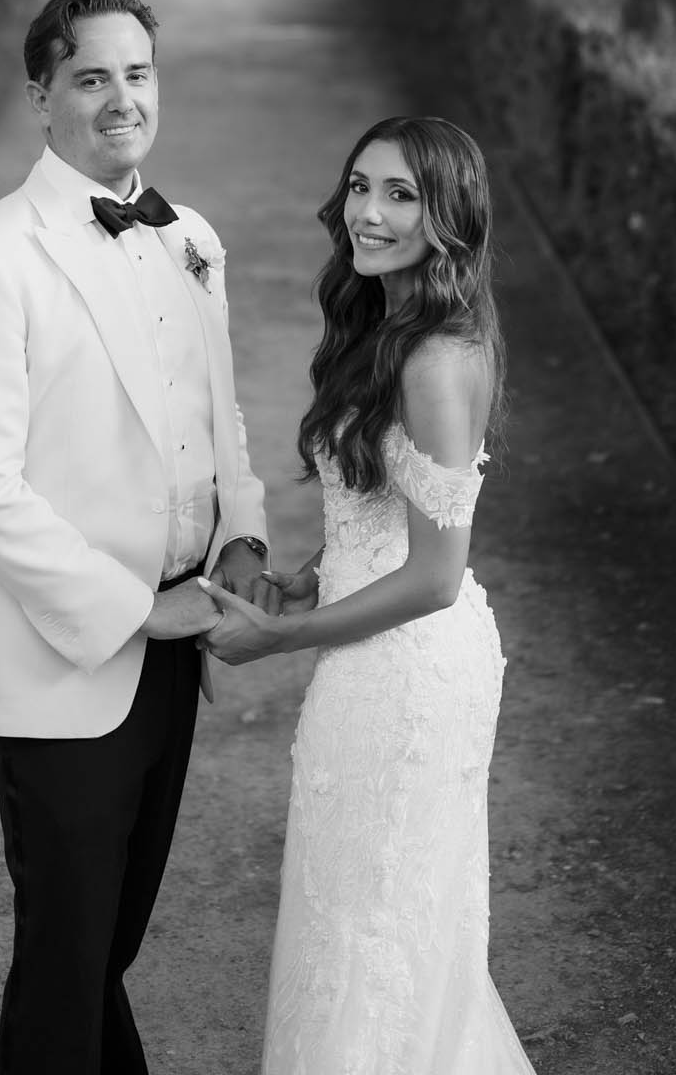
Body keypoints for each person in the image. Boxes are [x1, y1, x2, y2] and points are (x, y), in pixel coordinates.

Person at [0, 0, 270, 1075]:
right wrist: (135, 610)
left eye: (138, 73)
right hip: (65, 652)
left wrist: (242, 538)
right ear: (41, 96)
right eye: (92, 77)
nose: (123, 98)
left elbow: (219, 413)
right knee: (65, 956)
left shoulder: (190, 236)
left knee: (106, 942)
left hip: (177, 642)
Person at [200, 115, 535, 1074]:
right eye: (360, 186)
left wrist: (280, 637)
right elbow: (382, 505)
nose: (370, 213)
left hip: (408, 677)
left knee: (374, 929)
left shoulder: (436, 361)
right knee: (352, 918)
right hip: (370, 656)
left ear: (447, 218)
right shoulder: (388, 327)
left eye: (400, 195)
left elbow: (434, 574)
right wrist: (317, 570)